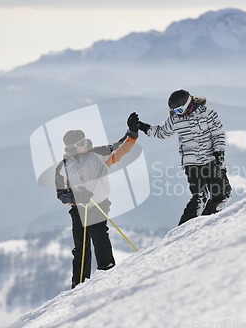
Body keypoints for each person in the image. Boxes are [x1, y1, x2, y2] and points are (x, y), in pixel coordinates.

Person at [55, 112, 139, 288]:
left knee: (99, 235)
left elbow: (120, 147)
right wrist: (77, 197)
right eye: (79, 144)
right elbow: (61, 194)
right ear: (70, 148)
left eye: (84, 140)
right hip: (79, 208)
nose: (83, 145)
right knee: (81, 246)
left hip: (99, 204)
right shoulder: (63, 167)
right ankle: (79, 284)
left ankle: (107, 270)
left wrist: (131, 132)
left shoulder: (99, 154)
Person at [137, 89, 232, 226]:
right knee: (200, 197)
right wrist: (142, 126)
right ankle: (182, 230)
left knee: (223, 195)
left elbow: (218, 134)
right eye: (175, 111)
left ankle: (206, 221)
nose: (178, 114)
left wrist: (219, 152)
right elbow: (162, 133)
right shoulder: (175, 120)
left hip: (212, 160)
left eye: (180, 110)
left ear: (188, 103)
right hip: (192, 163)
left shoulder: (208, 114)